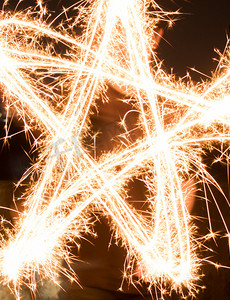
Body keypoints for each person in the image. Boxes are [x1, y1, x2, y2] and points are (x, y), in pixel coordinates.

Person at [57, 25, 196, 299]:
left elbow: (184, 185)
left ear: (155, 38)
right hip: (87, 283)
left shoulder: (164, 108)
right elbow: (56, 177)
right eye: (114, 34)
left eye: (134, 33)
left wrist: (162, 241)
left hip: (144, 286)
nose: (121, 45)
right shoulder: (81, 107)